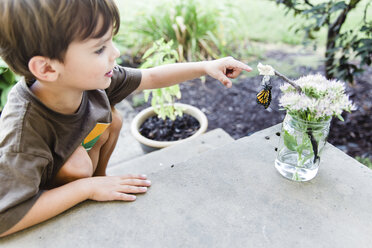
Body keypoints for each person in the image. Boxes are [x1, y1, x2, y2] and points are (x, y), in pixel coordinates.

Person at [0, 0, 252, 237]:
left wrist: (205, 67)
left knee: (112, 118)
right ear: (47, 69)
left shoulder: (88, 81)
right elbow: (5, 218)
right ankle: (90, 185)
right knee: (77, 166)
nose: (115, 53)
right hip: (52, 187)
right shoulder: (22, 136)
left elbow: (150, 77)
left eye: (111, 42)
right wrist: (85, 188)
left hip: (78, 152)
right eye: (99, 48)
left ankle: (100, 178)